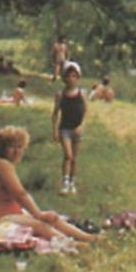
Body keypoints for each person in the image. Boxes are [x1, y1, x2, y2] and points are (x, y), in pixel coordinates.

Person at [0, 125, 97, 245]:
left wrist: (40, 214)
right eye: (12, 147)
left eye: (20, 147)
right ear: (2, 148)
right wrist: (38, 214)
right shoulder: (1, 165)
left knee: (53, 219)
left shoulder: (5, 165)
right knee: (40, 225)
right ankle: (72, 244)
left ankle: (88, 237)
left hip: (8, 215)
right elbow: (20, 194)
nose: (16, 151)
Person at [51, 62, 87, 195]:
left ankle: (72, 181)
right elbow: (55, 113)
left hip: (77, 128)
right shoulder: (60, 94)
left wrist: (81, 126)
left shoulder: (82, 93)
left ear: (77, 78)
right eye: (68, 76)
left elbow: (85, 112)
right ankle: (65, 182)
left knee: (75, 158)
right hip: (65, 128)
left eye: (74, 76)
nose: (71, 79)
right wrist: (55, 130)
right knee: (68, 155)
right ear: (64, 78)